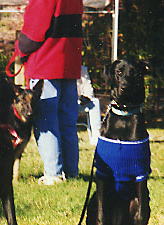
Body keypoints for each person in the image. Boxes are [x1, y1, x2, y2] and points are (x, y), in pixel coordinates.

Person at [16, 0, 83, 185]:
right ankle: (71, 172)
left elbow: (34, 32)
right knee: (67, 122)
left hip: (45, 63)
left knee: (46, 120)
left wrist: (20, 50)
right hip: (69, 60)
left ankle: (53, 174)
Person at [77, 65, 101, 145]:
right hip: (66, 103)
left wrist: (86, 98)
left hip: (79, 102)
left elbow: (88, 89)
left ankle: (96, 136)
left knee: (95, 102)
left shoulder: (83, 69)